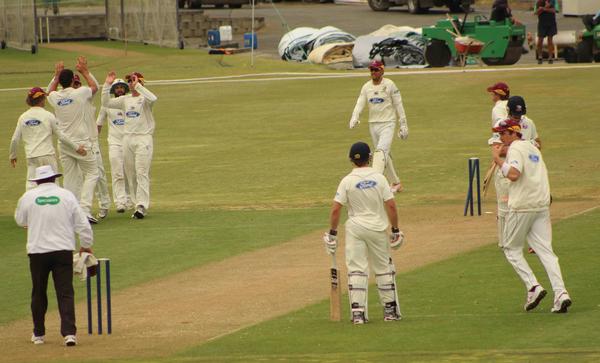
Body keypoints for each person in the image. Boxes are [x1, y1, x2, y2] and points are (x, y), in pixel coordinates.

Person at [491, 120, 571, 313]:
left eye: (502, 133)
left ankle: (533, 287)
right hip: (541, 205)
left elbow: (514, 174)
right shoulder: (533, 148)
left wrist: (497, 159)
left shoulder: (516, 149)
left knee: (511, 248)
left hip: (522, 206)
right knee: (546, 252)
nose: (500, 138)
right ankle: (561, 294)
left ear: (512, 133)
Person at [323, 142, 405, 324]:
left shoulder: (347, 181)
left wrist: (332, 233)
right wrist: (395, 229)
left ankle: (358, 314)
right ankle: (390, 311)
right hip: (377, 228)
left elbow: (336, 209)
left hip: (356, 229)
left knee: (356, 269)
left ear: (351, 160)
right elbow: (391, 205)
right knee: (383, 268)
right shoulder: (380, 178)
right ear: (369, 158)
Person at [14, 165, 94, 346]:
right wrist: (86, 245)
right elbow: (82, 223)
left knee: (38, 292)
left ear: (37, 181)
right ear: (54, 178)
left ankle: (38, 334)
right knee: (65, 292)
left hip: (37, 251)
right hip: (62, 250)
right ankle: (69, 334)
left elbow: (20, 220)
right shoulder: (66, 195)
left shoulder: (28, 197)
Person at [47, 59, 100, 224]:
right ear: (72, 81)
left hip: (65, 144)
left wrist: (55, 76)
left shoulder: (55, 97)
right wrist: (85, 71)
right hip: (81, 143)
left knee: (70, 178)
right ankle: (84, 210)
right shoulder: (80, 92)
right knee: (92, 173)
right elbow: (94, 87)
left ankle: (70, 212)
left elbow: (49, 91)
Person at [101, 71, 158, 219]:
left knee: (141, 172)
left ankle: (142, 206)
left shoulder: (145, 99)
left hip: (143, 139)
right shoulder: (125, 100)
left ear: (140, 82)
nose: (131, 83)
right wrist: (107, 85)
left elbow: (154, 98)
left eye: (133, 81)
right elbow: (106, 103)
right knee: (130, 174)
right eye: (130, 81)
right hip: (127, 139)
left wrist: (137, 85)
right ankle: (135, 204)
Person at [9, 87, 86, 190]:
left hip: (32, 156)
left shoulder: (23, 117)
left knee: (31, 185)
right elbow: (61, 136)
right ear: (41, 99)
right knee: (53, 184)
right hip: (47, 155)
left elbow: (15, 139)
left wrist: (13, 155)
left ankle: (29, 205)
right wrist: (77, 148)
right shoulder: (48, 115)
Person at [349, 60, 408, 193]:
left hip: (388, 123)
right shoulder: (366, 87)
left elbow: (398, 104)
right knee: (384, 154)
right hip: (373, 124)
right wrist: (355, 116)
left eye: (376, 70)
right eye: (371, 70)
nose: (373, 73)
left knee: (380, 152)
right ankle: (396, 183)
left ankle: (374, 184)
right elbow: (360, 102)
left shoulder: (390, 84)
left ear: (382, 70)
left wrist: (403, 124)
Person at [97, 78, 132, 213]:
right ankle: (120, 202)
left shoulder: (129, 101)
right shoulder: (107, 105)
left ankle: (130, 199)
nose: (119, 90)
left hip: (129, 142)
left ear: (125, 88)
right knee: (117, 173)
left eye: (121, 87)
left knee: (130, 172)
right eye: (116, 88)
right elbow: (98, 124)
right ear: (113, 90)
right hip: (114, 143)